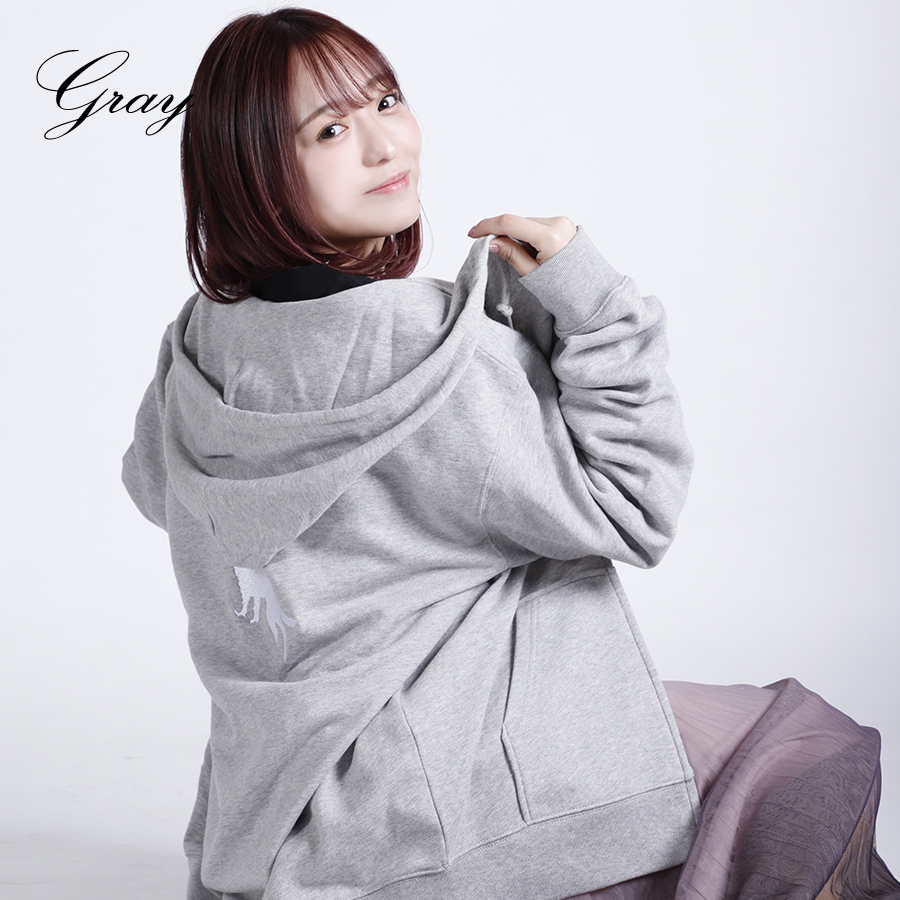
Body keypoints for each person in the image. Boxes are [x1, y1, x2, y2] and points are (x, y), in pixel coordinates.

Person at [122, 8, 899, 900]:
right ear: (253, 170)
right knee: (809, 748)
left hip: (274, 822)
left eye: (386, 100)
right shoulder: (429, 351)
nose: (384, 144)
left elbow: (152, 486)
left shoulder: (202, 346)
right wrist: (593, 309)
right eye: (330, 130)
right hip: (453, 814)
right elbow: (634, 509)